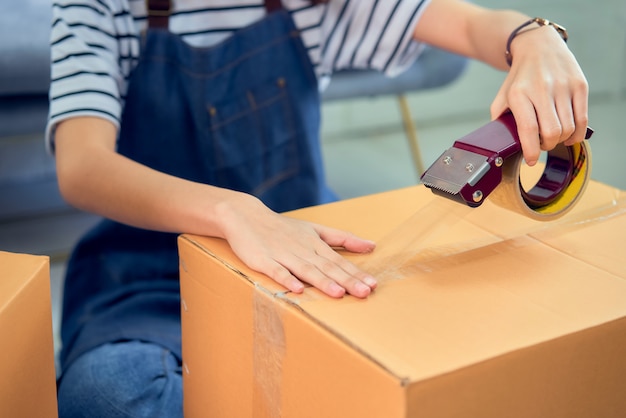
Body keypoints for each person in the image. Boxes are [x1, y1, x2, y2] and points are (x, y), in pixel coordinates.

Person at [48, 0, 589, 416]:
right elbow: (82, 167)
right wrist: (235, 213)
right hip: (149, 280)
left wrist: (535, 40)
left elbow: (472, 25)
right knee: (110, 395)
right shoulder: (101, 8)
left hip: (310, 265)